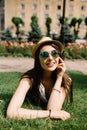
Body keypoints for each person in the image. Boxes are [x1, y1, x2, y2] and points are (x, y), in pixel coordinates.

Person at [6, 37, 73, 120]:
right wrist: (49, 113)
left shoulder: (65, 80)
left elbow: (54, 109)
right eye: (44, 55)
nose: (50, 58)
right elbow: (11, 112)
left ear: (60, 57)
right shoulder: (28, 80)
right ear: (38, 59)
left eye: (54, 53)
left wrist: (59, 78)